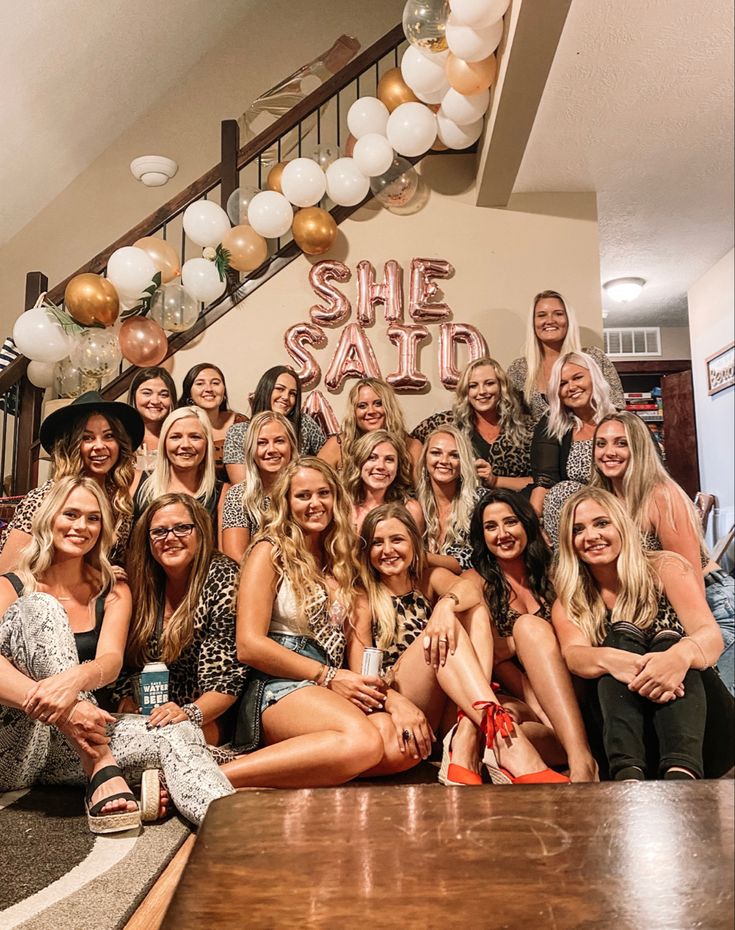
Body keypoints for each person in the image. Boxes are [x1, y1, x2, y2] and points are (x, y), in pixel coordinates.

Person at [0, 476, 234, 831]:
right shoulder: (11, 585)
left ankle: (234, 830)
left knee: (177, 730)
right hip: (16, 745)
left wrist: (76, 681)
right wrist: (73, 709)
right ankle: (100, 765)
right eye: (71, 514)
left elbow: (110, 662)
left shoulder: (113, 589)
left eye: (93, 518)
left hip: (76, 741)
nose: (81, 526)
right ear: (50, 518)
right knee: (42, 608)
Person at [349, 502, 569, 785]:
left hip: (450, 704)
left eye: (397, 540)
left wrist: (444, 606)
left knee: (472, 609)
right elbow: (363, 679)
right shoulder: (363, 598)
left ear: (415, 545)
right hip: (403, 700)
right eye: (378, 543)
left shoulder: (428, 580)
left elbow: (469, 589)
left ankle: (467, 732)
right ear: (367, 553)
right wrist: (398, 704)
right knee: (450, 626)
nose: (388, 550)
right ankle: (498, 742)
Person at [219, 458, 387, 788]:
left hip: (331, 679)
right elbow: (248, 645)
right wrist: (327, 676)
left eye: (323, 493)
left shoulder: (343, 560)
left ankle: (273, 772)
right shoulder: (269, 551)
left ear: (336, 499)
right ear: (286, 502)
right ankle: (214, 776)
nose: (315, 504)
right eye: (303, 496)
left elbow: (360, 646)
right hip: (278, 683)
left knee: (396, 747)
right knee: (365, 743)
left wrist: (389, 699)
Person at [552, 487, 726, 780]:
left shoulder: (666, 567)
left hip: (701, 730)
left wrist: (677, 658)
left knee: (669, 640)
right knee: (619, 639)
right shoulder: (571, 599)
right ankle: (628, 777)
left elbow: (710, 636)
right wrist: (617, 661)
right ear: (569, 542)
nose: (591, 536)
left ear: (621, 524)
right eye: (578, 529)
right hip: (623, 732)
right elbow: (574, 655)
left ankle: (680, 775)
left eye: (601, 523)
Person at [591, 411, 734, 694]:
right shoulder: (603, 499)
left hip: (711, 605)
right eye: (601, 444)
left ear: (640, 448)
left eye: (621, 443)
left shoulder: (661, 494)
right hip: (670, 610)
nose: (609, 452)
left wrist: (687, 644)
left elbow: (689, 578)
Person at [465, 489, 598, 781]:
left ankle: (582, 761)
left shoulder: (556, 574)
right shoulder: (478, 582)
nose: (502, 534)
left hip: (577, 690)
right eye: (491, 527)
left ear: (526, 524)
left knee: (528, 628)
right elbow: (496, 659)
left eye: (510, 522)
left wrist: (515, 642)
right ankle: (577, 753)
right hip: (532, 706)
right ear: (482, 536)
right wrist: (540, 711)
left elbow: (578, 638)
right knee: (514, 734)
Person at [119, 494, 245, 749]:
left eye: (182, 528)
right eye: (159, 531)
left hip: (210, 713)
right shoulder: (143, 581)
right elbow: (125, 662)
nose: (170, 538)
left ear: (200, 531)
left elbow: (227, 680)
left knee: (163, 743)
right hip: (149, 712)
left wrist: (187, 714)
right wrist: (125, 699)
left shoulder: (223, 577)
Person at [0, 391, 143, 571]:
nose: (100, 446)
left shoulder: (120, 502)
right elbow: (6, 573)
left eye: (109, 436)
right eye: (87, 438)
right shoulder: (45, 498)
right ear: (72, 445)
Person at [530, 351, 617, 547]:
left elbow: (652, 472)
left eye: (578, 377)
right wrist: (532, 525)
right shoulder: (551, 425)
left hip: (620, 508)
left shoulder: (623, 422)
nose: (571, 387)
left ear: (594, 377)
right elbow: (545, 482)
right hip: (574, 519)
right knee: (562, 491)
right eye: (562, 383)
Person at [411, 357, 534, 493]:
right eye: (473, 386)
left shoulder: (526, 427)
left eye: (489, 383)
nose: (482, 391)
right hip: (460, 506)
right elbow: (410, 443)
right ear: (466, 392)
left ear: (501, 387)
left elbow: (542, 481)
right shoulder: (448, 422)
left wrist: (496, 481)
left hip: (513, 507)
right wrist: (421, 487)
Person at [507, 290, 624, 422]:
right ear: (533, 323)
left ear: (568, 319)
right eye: (541, 315)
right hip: (536, 442)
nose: (550, 320)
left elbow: (618, 409)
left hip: (593, 440)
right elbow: (512, 420)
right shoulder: (518, 369)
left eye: (558, 314)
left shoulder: (594, 358)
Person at [133, 406, 228, 544]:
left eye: (195, 437)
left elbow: (225, 557)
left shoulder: (222, 494)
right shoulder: (137, 482)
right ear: (164, 443)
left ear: (207, 444)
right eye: (176, 437)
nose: (185, 445)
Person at [223, 365, 326, 484]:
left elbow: (326, 462)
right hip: (255, 498)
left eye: (292, 393)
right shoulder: (239, 432)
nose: (286, 397)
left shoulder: (304, 424)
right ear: (265, 390)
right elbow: (241, 485)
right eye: (280, 389)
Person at [221, 412, 297, 564]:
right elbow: (235, 558)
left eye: (279, 441)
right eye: (262, 443)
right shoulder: (238, 495)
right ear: (251, 449)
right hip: (255, 578)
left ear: (292, 446)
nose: (271, 449)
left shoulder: (305, 491)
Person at [318, 377, 422, 473]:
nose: (371, 411)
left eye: (378, 404)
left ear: (390, 407)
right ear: (353, 412)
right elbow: (314, 483)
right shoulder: (337, 446)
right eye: (362, 406)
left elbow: (423, 491)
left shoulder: (412, 447)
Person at [416, 426, 482, 572]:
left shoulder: (481, 501)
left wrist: (421, 558)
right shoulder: (414, 503)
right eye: (436, 453)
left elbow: (476, 560)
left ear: (463, 461)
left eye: (454, 455)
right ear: (425, 458)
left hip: (470, 585)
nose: (444, 461)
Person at [342, 429, 425, 535]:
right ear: (359, 462)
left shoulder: (410, 509)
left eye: (389, 459)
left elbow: (417, 551)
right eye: (372, 458)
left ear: (398, 466)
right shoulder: (342, 507)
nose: (381, 466)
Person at [179, 363, 247, 483]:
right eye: (200, 384)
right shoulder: (179, 425)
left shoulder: (239, 423)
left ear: (224, 392)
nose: (209, 389)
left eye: (215, 383)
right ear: (189, 393)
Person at [127, 366, 177, 470]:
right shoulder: (122, 437)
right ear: (133, 396)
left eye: (163, 395)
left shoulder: (180, 437)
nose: (155, 401)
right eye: (146, 393)